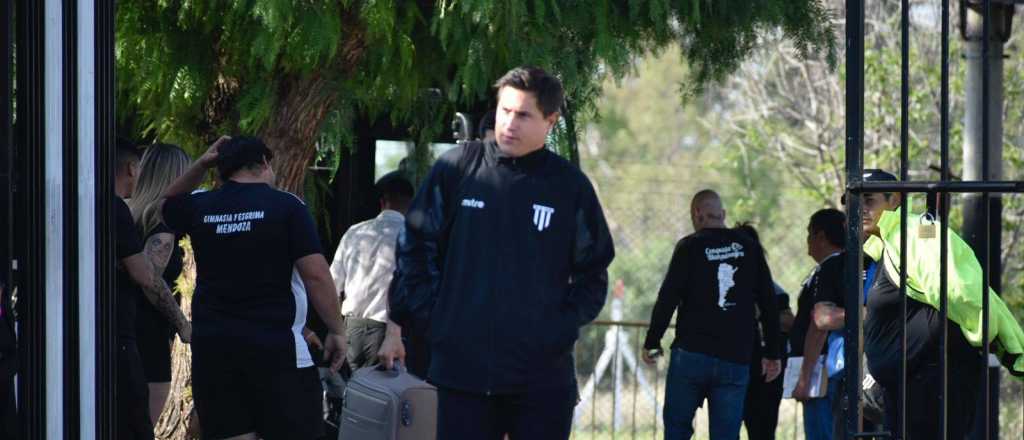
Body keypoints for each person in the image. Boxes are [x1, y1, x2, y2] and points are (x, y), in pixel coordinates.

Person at [389, 66, 615, 440]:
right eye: (504, 110)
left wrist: (554, 331)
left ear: (550, 121)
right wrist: (437, 322)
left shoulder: (568, 186)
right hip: (462, 374)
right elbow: (413, 248)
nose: (509, 123)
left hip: (542, 379)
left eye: (523, 114)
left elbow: (594, 273)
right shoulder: (456, 169)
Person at [160, 136, 347, 440]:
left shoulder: (201, 204)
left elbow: (166, 204)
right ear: (263, 163)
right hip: (276, 352)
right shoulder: (286, 206)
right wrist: (336, 330)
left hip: (215, 351)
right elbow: (316, 275)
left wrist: (201, 164)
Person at [849, 168, 1024, 439]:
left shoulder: (915, 234)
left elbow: (961, 292)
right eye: (853, 202)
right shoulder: (885, 247)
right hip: (909, 389)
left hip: (933, 383)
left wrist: (1006, 346)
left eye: (868, 200)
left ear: (894, 200)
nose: (859, 209)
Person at [642, 190, 782, 440]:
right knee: (726, 434)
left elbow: (668, 298)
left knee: (677, 429)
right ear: (723, 214)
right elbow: (768, 302)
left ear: (696, 214)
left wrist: (653, 341)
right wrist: (772, 352)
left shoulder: (689, 246)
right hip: (735, 357)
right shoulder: (749, 247)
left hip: (691, 355)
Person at [114, 146, 192, 439]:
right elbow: (151, 281)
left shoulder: (129, 211)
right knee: (141, 427)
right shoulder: (162, 224)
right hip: (148, 335)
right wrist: (183, 324)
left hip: (121, 326)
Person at [329, 171, 414, 372]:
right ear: (411, 205)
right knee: (380, 397)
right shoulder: (413, 238)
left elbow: (332, 284)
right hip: (390, 332)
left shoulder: (355, 232)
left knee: (349, 396)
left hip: (351, 328)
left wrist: (335, 330)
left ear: (382, 202)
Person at [788, 209, 847, 440]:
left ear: (821, 236)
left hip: (822, 371)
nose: (807, 241)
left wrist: (805, 378)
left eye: (809, 234)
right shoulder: (841, 266)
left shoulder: (830, 268)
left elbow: (819, 325)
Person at [734, 224, 793, 440]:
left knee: (762, 429)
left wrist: (763, 314)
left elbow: (789, 322)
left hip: (767, 370)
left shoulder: (773, 289)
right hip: (735, 364)